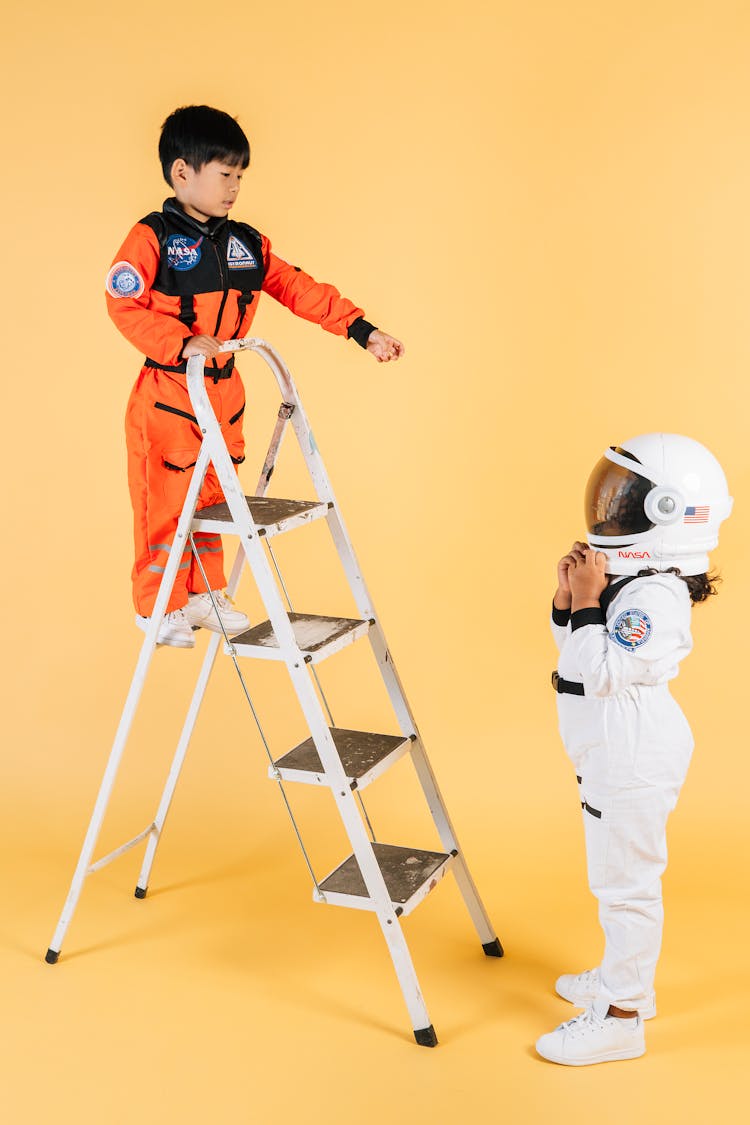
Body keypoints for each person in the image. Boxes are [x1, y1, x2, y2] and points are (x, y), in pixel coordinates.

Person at [106, 105, 404, 648]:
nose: (235, 187)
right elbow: (123, 305)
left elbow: (299, 288)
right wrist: (179, 342)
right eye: (225, 174)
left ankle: (204, 594)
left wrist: (362, 330)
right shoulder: (149, 238)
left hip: (225, 392)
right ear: (182, 173)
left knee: (216, 498)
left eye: (240, 176)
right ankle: (158, 606)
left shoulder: (245, 242)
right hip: (170, 390)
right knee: (164, 497)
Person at [537, 433, 733, 1066]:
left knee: (626, 886)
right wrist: (571, 596)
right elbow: (578, 650)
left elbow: (599, 671)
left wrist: (592, 599)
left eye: (627, 503)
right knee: (613, 878)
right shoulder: (638, 581)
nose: (609, 513)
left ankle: (623, 1017)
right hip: (611, 751)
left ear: (668, 515)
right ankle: (624, 982)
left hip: (634, 753)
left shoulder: (658, 597)